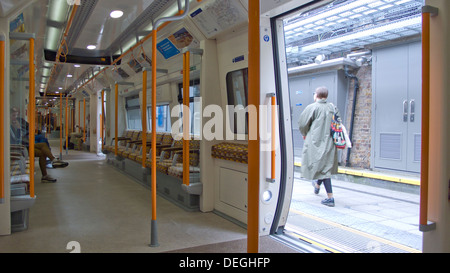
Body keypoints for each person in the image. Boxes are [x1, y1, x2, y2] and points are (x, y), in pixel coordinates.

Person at [298, 86, 341, 207]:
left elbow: (302, 123)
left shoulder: (312, 107)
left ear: (316, 95)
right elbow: (339, 123)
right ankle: (317, 186)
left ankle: (330, 197)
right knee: (325, 166)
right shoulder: (333, 108)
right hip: (330, 142)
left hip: (315, 142)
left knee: (322, 168)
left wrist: (305, 134)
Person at [10, 107, 68, 183]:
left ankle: (52, 162)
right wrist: (18, 129)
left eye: (16, 115)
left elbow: (25, 131)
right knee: (43, 150)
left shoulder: (17, 122)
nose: (15, 118)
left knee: (43, 145)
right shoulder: (9, 126)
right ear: (9, 116)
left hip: (25, 144)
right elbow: (16, 140)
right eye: (14, 115)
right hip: (19, 148)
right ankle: (49, 168)